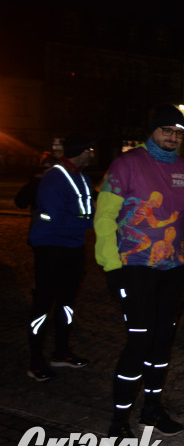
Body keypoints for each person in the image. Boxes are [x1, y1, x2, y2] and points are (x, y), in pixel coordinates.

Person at [94, 105, 184, 439]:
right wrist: (111, 265)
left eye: (178, 133)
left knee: (162, 342)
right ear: (153, 130)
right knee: (139, 341)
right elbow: (104, 218)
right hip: (134, 269)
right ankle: (119, 417)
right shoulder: (126, 165)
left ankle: (152, 409)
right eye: (166, 131)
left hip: (172, 269)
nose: (173, 137)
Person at [26, 135, 95, 382]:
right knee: (43, 305)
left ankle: (61, 352)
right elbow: (55, 215)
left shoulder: (83, 177)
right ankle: (35, 361)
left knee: (67, 303)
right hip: (51, 248)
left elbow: (89, 208)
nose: (92, 154)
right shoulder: (54, 177)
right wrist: (86, 222)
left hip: (73, 248)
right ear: (80, 151)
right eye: (89, 149)